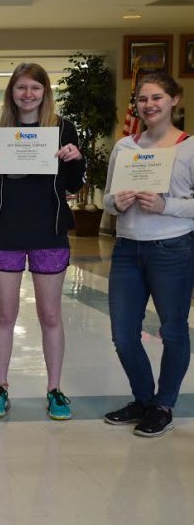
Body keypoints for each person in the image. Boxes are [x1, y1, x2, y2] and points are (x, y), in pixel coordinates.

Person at [0, 63, 85, 420]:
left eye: (34, 88)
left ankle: (55, 389)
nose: (27, 94)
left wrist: (76, 159)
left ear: (44, 92)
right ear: (12, 92)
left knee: (50, 314)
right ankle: (0, 387)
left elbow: (72, 185)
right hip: (6, 232)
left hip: (48, 231)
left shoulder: (62, 128)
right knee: (5, 314)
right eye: (21, 88)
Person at [103, 72, 192, 437]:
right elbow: (108, 197)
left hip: (173, 249)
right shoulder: (125, 147)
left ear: (174, 100)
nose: (148, 105)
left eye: (156, 98)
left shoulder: (188, 147)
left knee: (172, 331)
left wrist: (166, 205)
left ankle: (163, 404)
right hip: (127, 249)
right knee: (123, 333)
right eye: (142, 99)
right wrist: (117, 202)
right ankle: (143, 398)